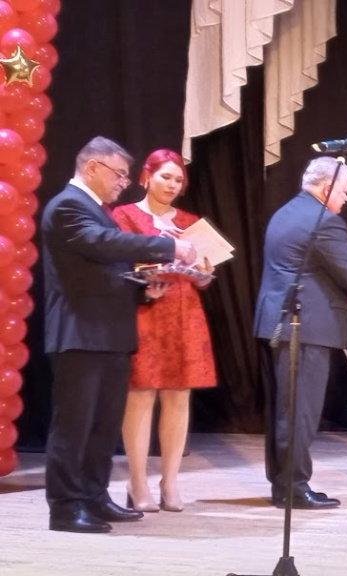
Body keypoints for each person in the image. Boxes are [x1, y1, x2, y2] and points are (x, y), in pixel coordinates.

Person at [42, 136, 197, 533]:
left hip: (110, 332)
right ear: (92, 167)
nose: (123, 183)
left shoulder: (96, 209)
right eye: (119, 174)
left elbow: (105, 269)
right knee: (74, 426)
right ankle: (66, 507)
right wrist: (167, 247)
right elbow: (103, 244)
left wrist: (142, 291)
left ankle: (95, 497)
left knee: (104, 425)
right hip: (80, 333)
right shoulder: (67, 206)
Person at [254, 156, 347, 509]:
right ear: (327, 187)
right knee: (300, 412)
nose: (346, 198)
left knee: (285, 411)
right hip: (306, 326)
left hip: (276, 322)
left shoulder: (284, 213)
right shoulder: (324, 221)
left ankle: (283, 485)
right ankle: (295, 487)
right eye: (343, 190)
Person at [112, 149, 217, 513]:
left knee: (178, 395)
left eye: (178, 179)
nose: (172, 185)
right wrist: (148, 275)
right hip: (146, 310)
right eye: (165, 177)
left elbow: (205, 275)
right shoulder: (125, 215)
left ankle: (170, 481)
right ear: (147, 176)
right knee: (141, 395)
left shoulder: (190, 221)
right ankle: (137, 481)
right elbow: (119, 265)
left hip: (185, 312)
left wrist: (204, 274)